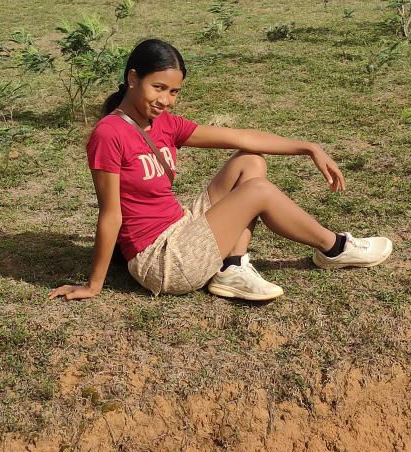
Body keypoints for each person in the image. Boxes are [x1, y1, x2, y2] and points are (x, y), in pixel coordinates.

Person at [49, 38, 392, 304]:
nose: (166, 100)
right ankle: (335, 248)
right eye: (159, 88)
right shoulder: (109, 134)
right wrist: (94, 285)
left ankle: (232, 267)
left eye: (174, 92)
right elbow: (110, 214)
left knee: (250, 161)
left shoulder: (164, 123)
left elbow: (242, 137)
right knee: (257, 191)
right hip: (162, 260)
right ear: (133, 79)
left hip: (181, 227)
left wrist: (308, 147)